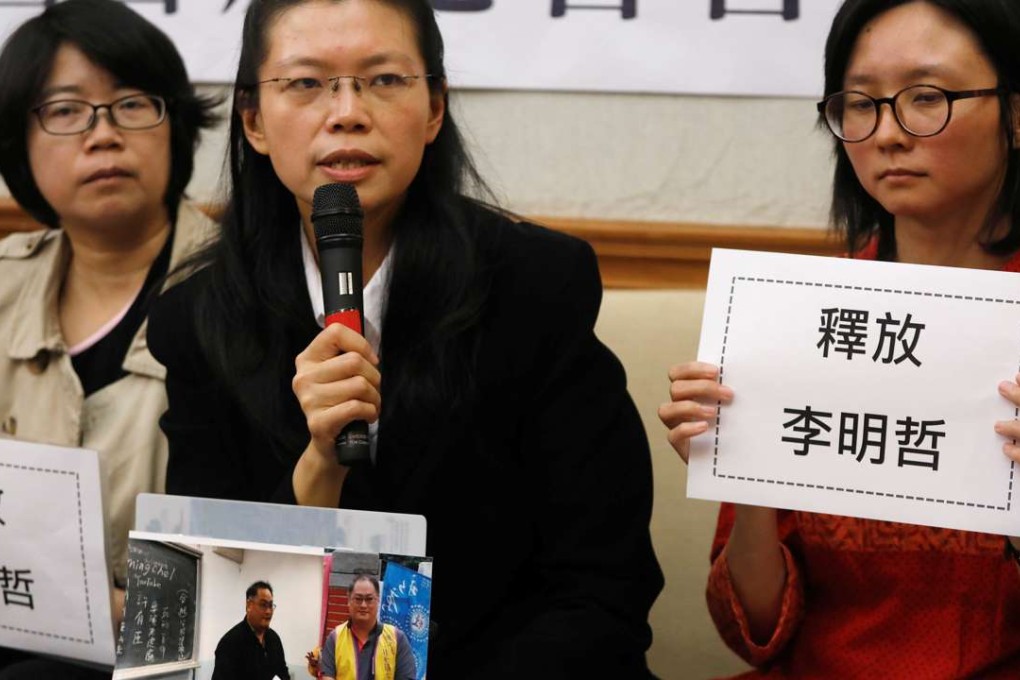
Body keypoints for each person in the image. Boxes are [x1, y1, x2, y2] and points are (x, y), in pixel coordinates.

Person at [146, 0, 662, 676]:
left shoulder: (537, 286)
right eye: (305, 83)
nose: (347, 111)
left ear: (435, 108)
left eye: (383, 79)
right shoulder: (198, 318)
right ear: (253, 121)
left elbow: (603, 589)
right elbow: (213, 616)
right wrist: (319, 466)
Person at [659, 0, 1020, 677]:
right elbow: (756, 631)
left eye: (926, 97)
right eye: (860, 104)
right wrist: (745, 468)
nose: (887, 133)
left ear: (1017, 114)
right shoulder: (799, 316)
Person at [0, 0, 217, 675]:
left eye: (131, 104)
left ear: (175, 128)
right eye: (65, 110)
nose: (102, 134)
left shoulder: (247, 293)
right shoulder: (3, 286)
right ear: (18, 146)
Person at [318, 574, 416, 680]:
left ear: (378, 601)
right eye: (358, 599)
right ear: (349, 601)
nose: (363, 605)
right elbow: (327, 677)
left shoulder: (397, 639)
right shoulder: (335, 638)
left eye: (369, 599)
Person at [213, 581, 291, 680]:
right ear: (249, 605)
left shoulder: (274, 639)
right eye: (263, 605)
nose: (268, 611)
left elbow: (283, 672)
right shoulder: (230, 643)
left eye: (270, 605)